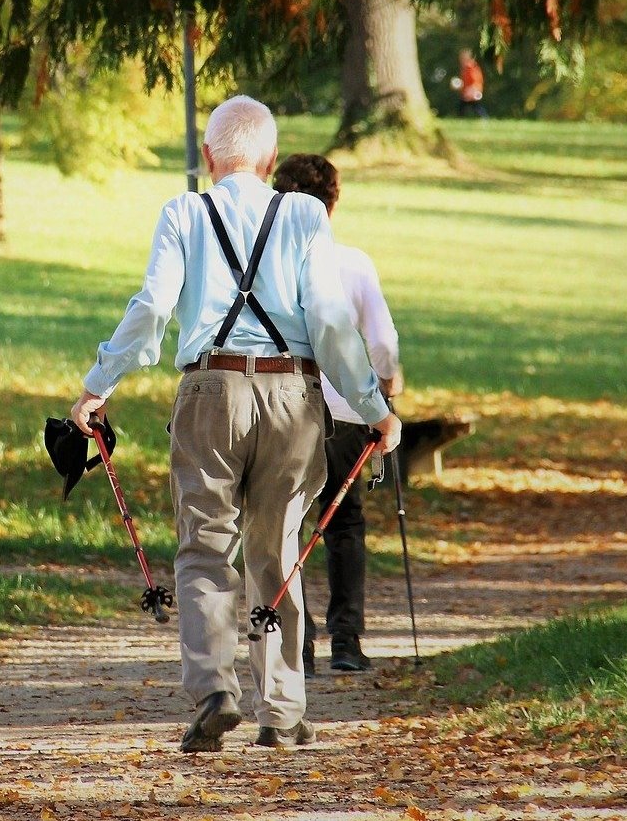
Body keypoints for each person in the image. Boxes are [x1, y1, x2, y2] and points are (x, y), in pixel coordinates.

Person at [69, 95, 402, 752]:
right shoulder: (305, 215)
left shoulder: (184, 212)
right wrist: (374, 408)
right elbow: (332, 325)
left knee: (203, 547)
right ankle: (281, 711)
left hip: (209, 391)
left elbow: (152, 307)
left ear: (207, 158)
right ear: (271, 160)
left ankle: (215, 691)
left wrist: (96, 386)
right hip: (291, 395)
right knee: (278, 551)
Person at [270, 153, 401, 676]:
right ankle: (346, 640)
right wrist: (388, 383)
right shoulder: (353, 263)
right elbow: (383, 340)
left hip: (287, 406)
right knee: (344, 522)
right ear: (334, 202)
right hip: (348, 409)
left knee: (289, 521)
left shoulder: (270, 265)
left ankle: (297, 645)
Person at [455, 49, 487, 119]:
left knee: (474, 106)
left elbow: (475, 80)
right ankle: (484, 118)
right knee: (469, 106)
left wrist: (471, 91)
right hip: (470, 91)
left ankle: (485, 118)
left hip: (473, 91)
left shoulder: (470, 67)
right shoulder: (466, 68)